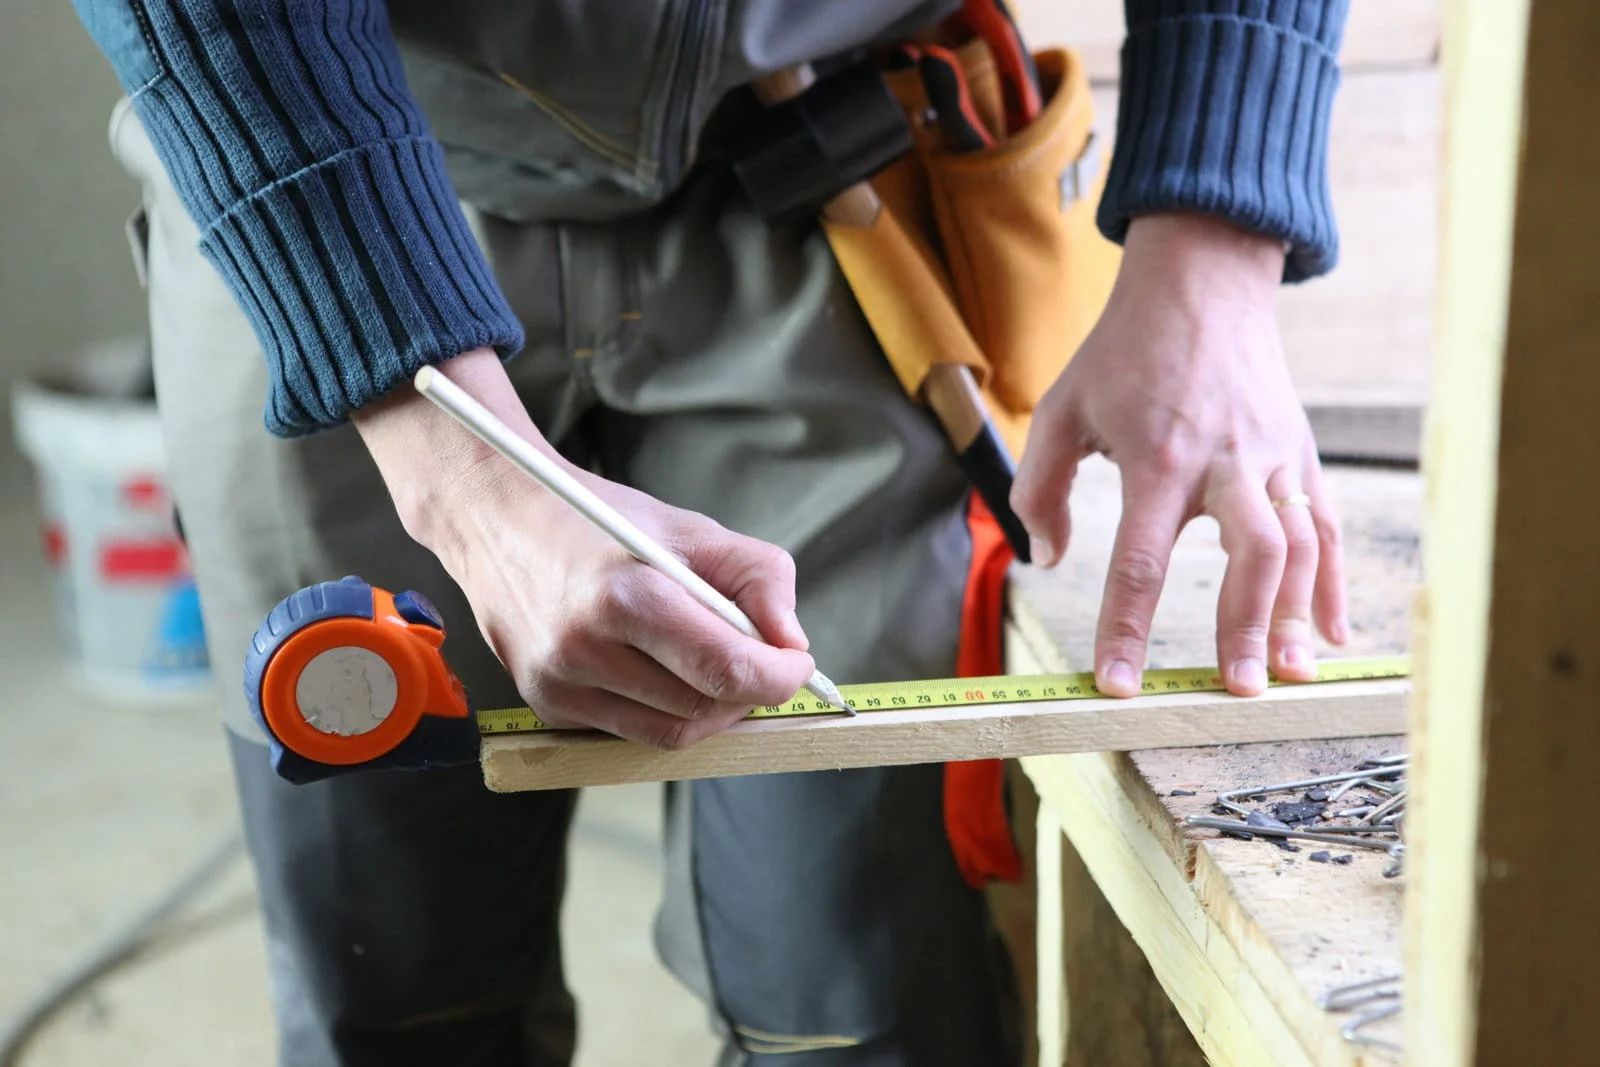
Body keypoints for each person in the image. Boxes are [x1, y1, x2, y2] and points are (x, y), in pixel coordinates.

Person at [76, 0, 1352, 1063]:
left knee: (862, 1011)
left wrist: (1215, 242)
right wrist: (459, 475)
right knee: (398, 994)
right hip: (316, 174)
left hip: (841, 160)